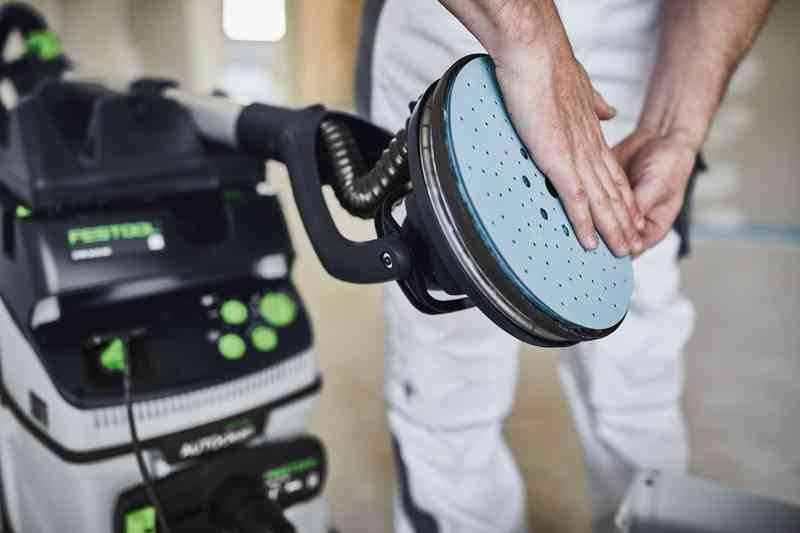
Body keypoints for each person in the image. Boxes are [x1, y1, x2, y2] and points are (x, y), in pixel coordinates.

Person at [355, 1, 773, 532]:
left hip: (635, 33)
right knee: (451, 358)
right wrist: (532, 40)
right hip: (460, 24)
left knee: (638, 357)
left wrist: (675, 130)